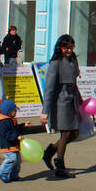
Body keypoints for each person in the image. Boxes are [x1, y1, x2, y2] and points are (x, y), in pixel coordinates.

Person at [39, 35, 82, 179]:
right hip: (61, 100)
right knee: (65, 133)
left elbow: (75, 81)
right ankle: (60, 167)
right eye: (66, 47)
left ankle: (50, 152)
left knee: (75, 133)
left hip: (73, 97)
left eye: (71, 47)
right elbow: (50, 88)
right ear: (60, 47)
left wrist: (81, 101)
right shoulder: (55, 63)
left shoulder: (73, 59)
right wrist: (45, 112)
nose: (68, 50)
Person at [0, 99, 23, 183]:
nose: (15, 112)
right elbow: (7, 134)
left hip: (14, 145)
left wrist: (24, 125)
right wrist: (16, 138)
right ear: (8, 112)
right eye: (14, 111)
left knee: (17, 161)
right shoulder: (4, 122)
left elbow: (16, 129)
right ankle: (2, 172)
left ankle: (14, 175)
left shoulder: (11, 120)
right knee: (12, 158)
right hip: (7, 145)